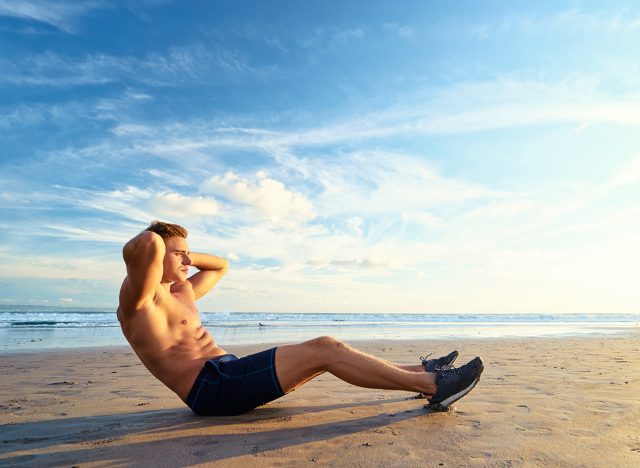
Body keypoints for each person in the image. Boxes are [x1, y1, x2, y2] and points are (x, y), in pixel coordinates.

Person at [117, 221, 484, 416]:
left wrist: (184, 251)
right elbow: (146, 243)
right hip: (211, 389)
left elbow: (222, 265)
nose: (187, 260)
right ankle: (438, 386)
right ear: (157, 255)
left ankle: (422, 374)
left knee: (326, 353)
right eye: (178, 254)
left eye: (188, 255)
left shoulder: (181, 291)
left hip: (228, 372)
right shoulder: (138, 301)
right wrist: (164, 241)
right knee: (325, 348)